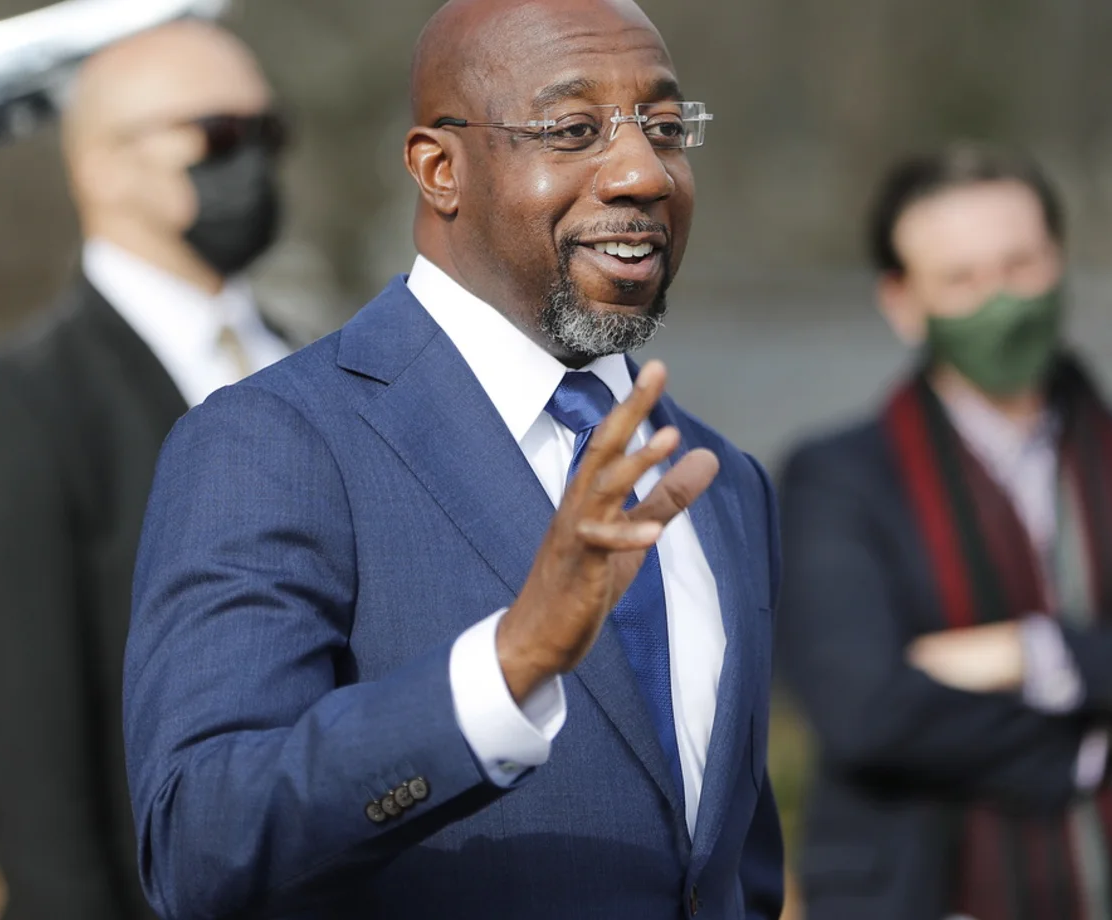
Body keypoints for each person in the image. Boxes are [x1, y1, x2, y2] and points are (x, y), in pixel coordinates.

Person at [121, 1, 785, 918]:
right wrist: (506, 667)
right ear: (441, 169)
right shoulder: (275, 441)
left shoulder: (719, 481)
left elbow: (727, 867)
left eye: (666, 129)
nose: (642, 171)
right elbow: (200, 842)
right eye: (574, 130)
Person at [776, 145, 1112, 920]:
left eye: (1019, 265)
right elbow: (864, 710)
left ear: (1058, 261)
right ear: (900, 300)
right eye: (961, 279)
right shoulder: (836, 481)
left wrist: (1022, 653)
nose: (999, 301)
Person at [0, 22, 292, 920]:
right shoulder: (18, 403)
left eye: (266, 135)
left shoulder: (320, 369)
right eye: (215, 135)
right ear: (102, 165)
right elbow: (27, 759)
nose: (251, 164)